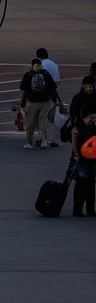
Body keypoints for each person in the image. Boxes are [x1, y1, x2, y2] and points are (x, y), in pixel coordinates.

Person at [19, 57, 62, 149]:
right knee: (42, 122)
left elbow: (23, 88)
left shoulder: (28, 74)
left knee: (30, 123)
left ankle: (29, 143)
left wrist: (22, 102)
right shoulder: (46, 74)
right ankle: (44, 141)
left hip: (32, 102)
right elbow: (53, 86)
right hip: (45, 102)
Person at [68, 76, 96, 216]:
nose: (90, 88)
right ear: (83, 86)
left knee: (91, 181)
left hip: (93, 149)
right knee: (82, 180)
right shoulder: (79, 99)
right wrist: (76, 154)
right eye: (87, 86)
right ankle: (77, 209)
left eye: (92, 86)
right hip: (81, 149)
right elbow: (73, 119)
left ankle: (90, 209)